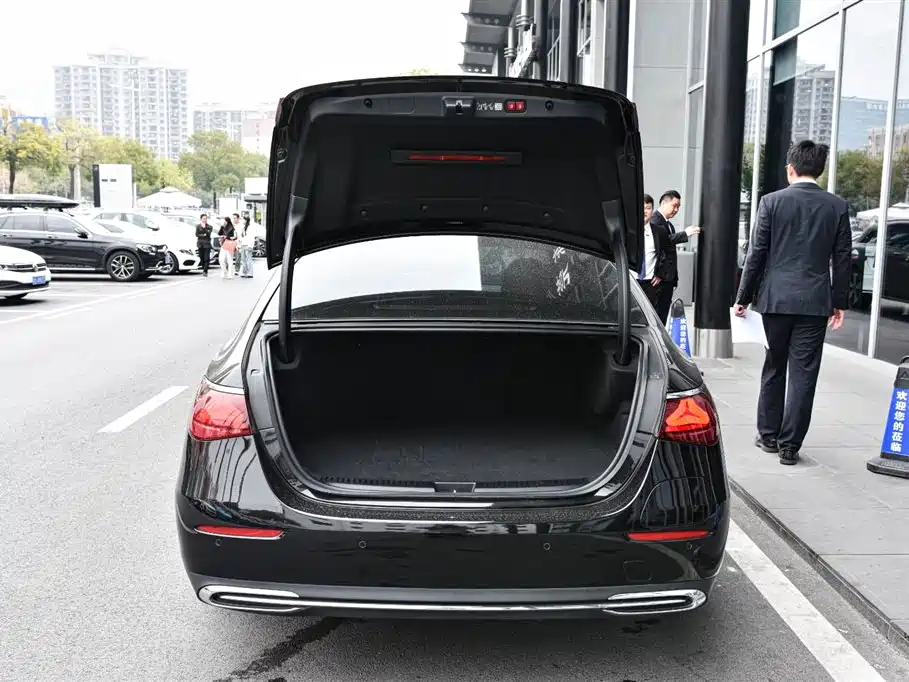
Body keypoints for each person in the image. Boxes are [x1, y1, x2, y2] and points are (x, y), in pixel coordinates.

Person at [734, 139, 852, 466]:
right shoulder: (837, 206)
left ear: (790, 169)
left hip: (775, 299)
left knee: (774, 367)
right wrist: (839, 302)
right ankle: (790, 446)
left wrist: (743, 297)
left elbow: (756, 254)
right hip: (815, 302)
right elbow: (843, 258)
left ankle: (768, 436)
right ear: (820, 170)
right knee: (804, 374)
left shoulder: (771, 202)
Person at [650, 190, 701, 323]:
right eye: (674, 205)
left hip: (667, 279)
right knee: (657, 316)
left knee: (663, 314)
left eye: (678, 207)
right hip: (659, 279)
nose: (676, 210)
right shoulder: (655, 220)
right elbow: (662, 242)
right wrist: (684, 234)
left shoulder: (668, 223)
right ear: (663, 203)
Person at [636, 194, 661, 307]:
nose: (645, 211)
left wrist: (660, 274)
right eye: (642, 207)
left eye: (648, 208)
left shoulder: (658, 232)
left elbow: (666, 253)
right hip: (630, 280)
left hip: (650, 283)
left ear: (652, 211)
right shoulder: (626, 232)